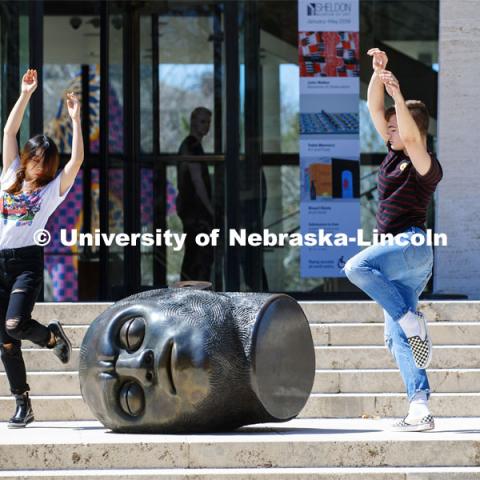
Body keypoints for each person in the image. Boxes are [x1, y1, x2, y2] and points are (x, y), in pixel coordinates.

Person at [343, 49, 443, 432]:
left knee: (355, 266)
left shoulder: (424, 164)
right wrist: (378, 74)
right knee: (396, 338)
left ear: (413, 130)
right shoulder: (390, 153)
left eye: (395, 126)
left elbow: (411, 132)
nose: (388, 130)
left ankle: (409, 317)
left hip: (411, 247)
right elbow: (373, 108)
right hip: (396, 261)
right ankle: (420, 406)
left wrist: (400, 97)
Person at [0, 69, 84, 428]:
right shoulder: (9, 174)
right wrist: (25, 95)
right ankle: (24, 404)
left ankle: (50, 336)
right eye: (32, 157)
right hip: (0, 262)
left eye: (41, 161)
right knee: (4, 343)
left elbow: (76, 161)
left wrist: (76, 121)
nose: (35, 164)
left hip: (27, 265)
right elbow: (9, 132)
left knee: (16, 324)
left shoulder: (51, 192)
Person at [176, 107, 214, 282]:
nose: (206, 126)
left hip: (194, 212)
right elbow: (197, 181)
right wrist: (210, 209)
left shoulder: (193, 146)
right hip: (196, 214)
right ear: (192, 121)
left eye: (208, 122)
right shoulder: (191, 146)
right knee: (198, 257)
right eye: (202, 121)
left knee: (196, 255)